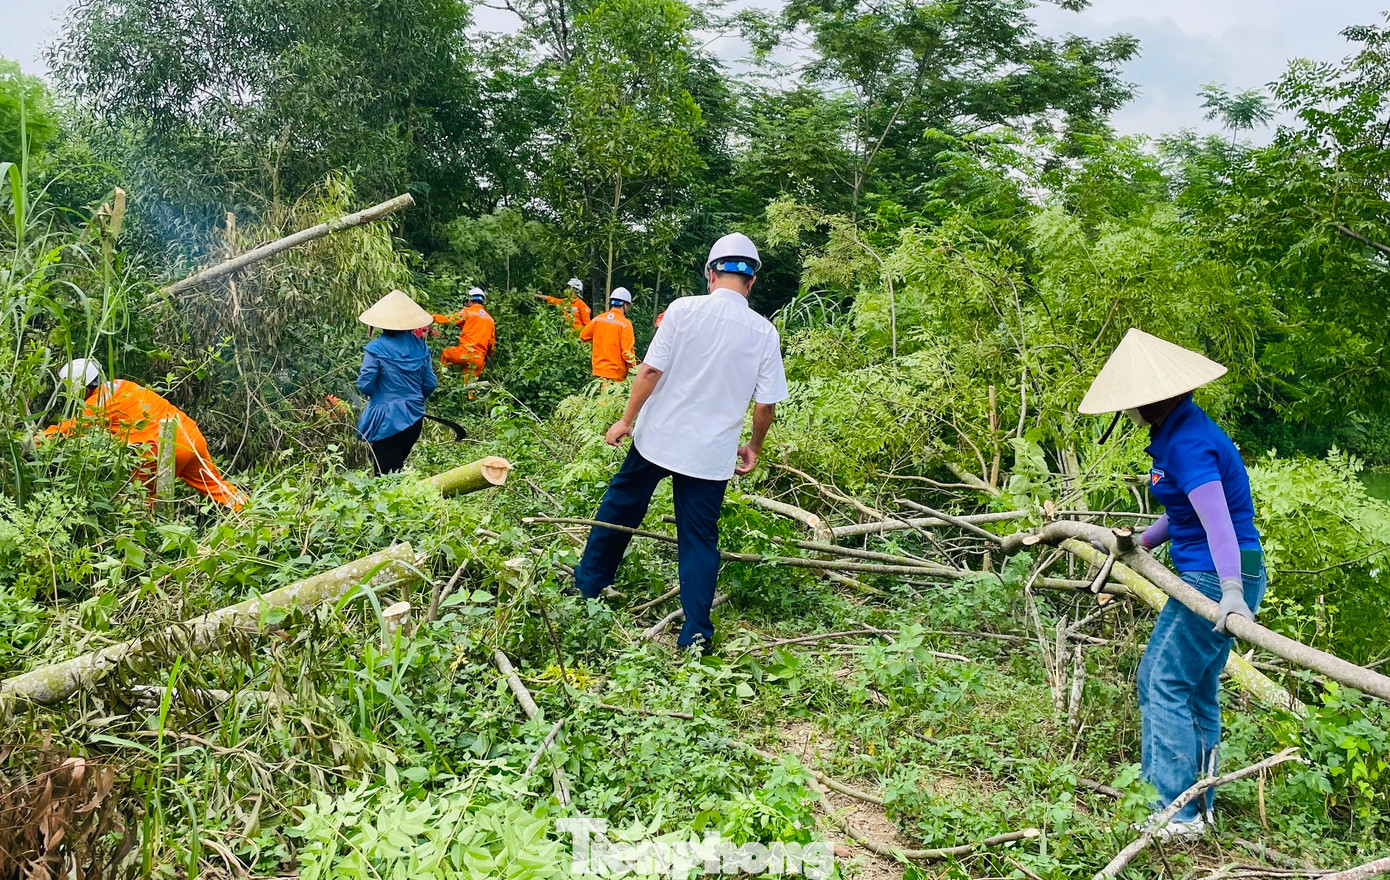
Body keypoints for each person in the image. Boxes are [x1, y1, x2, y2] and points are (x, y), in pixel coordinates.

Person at [1079, 328, 1265, 840]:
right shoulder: (1181, 432)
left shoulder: (1186, 445)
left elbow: (1219, 523)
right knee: (1197, 688)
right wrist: (1141, 541)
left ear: (1150, 400)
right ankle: (1198, 809)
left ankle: (1171, 813)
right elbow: (1187, 512)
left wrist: (1230, 592)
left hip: (1215, 576)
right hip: (1228, 570)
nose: (1129, 410)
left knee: (1161, 679)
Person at [572, 233, 788, 651]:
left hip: (658, 438)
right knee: (700, 540)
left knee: (621, 506)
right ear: (751, 281)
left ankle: (589, 585)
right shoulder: (764, 332)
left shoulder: (682, 310)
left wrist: (625, 420)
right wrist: (754, 447)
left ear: (711, 274)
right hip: (711, 454)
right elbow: (765, 405)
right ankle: (696, 636)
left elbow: (650, 371)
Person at [41, 358, 246, 509]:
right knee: (217, 487)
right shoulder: (123, 385)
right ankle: (249, 512)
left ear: (80, 387)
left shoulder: (98, 403)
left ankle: (148, 545)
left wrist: (38, 439)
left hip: (162, 449)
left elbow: (70, 429)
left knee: (140, 502)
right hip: (190, 437)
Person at [356, 289, 438, 475]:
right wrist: (414, 399)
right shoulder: (421, 346)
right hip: (414, 419)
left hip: (387, 421)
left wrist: (381, 395)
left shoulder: (376, 348)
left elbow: (365, 384)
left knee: (384, 477)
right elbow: (430, 383)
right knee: (395, 468)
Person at [434, 287, 495, 381]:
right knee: (469, 384)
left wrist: (433, 317)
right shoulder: (490, 319)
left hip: (466, 352)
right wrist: (485, 359)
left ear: (469, 301)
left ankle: (440, 381)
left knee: (446, 354)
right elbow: (491, 346)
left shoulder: (468, 311)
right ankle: (468, 391)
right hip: (479, 358)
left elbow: (450, 320)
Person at [578, 287, 637, 381]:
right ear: (625, 305)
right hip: (616, 374)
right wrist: (634, 370)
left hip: (598, 371)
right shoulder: (625, 324)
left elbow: (583, 336)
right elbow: (627, 352)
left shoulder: (598, 319)